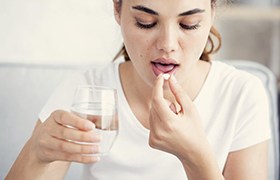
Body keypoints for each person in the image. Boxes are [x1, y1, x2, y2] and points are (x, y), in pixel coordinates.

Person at [6, 0, 271, 179]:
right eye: (146, 22)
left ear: (212, 13)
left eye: (188, 24)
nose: (167, 45)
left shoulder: (241, 94)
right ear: (118, 11)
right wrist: (36, 155)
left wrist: (196, 157)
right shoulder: (86, 92)